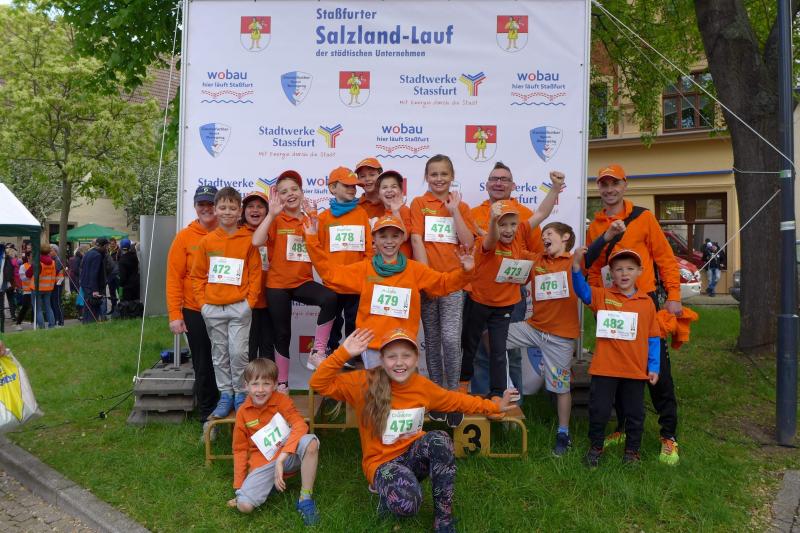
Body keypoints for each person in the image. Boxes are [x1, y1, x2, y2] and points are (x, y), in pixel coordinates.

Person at [310, 328, 517, 533]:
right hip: (382, 463)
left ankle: (443, 519)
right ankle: (386, 491)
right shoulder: (364, 382)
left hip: (413, 455)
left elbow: (457, 401)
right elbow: (319, 383)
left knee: (440, 439)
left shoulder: (422, 386)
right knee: (408, 504)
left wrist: (493, 407)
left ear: (416, 359)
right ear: (382, 359)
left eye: (406, 356)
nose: (399, 362)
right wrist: (343, 353)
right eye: (392, 356)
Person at [304, 212, 475, 401]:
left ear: (402, 238)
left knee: (403, 398)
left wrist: (465, 272)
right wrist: (311, 239)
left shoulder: (415, 270)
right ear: (374, 240)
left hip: (402, 347)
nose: (389, 241)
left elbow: (443, 284)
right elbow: (331, 274)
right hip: (373, 346)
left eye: (394, 236)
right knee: (378, 399)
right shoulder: (365, 269)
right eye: (383, 236)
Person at [585, 163, 682, 465]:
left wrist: (673, 296)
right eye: (604, 184)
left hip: (644, 302)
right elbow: (591, 268)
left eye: (615, 183)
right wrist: (597, 304)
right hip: (612, 303)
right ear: (599, 188)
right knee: (616, 366)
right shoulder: (595, 227)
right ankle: (624, 427)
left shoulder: (644, 218)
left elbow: (665, 258)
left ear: (625, 185)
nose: (609, 189)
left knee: (658, 371)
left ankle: (668, 435)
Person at [571, 248, 661, 466]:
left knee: (635, 413)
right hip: (605, 368)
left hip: (635, 370)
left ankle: (632, 452)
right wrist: (575, 267)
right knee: (599, 410)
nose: (624, 273)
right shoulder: (602, 295)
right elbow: (582, 290)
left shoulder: (647, 302)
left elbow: (653, 337)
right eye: (619, 269)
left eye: (630, 268)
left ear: (640, 271)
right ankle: (595, 447)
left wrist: (654, 366)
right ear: (611, 273)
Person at [251, 171, 337, 391]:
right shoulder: (276, 219)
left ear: (301, 192)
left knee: (330, 298)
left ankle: (318, 351)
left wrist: (314, 224)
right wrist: (271, 215)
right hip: (277, 286)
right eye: (283, 192)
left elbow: (321, 252)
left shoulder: (311, 219)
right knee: (282, 334)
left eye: (294, 189)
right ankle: (282, 385)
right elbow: (257, 241)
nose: (290, 194)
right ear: (277, 197)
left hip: (302, 282)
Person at [468, 161, 546, 397]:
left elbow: (537, 253)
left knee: (509, 351)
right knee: (480, 352)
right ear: (487, 184)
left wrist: (521, 277)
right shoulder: (474, 214)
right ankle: (483, 402)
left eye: (504, 179)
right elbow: (469, 250)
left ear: (513, 186)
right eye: (494, 179)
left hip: (512, 295)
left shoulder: (525, 215)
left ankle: (513, 406)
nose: (499, 183)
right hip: (479, 294)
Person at [410, 154, 476, 417]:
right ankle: (437, 396)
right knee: (433, 340)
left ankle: (453, 396)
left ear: (452, 176)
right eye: (434, 174)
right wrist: (427, 278)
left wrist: (454, 210)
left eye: (444, 174)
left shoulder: (462, 206)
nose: (439, 179)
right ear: (427, 177)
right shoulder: (418, 203)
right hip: (428, 282)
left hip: (453, 282)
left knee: (450, 339)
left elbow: (468, 242)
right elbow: (416, 240)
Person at [191, 187, 261, 417]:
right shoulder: (207, 242)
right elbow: (197, 275)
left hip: (239, 308)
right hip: (213, 309)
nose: (228, 212)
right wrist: (203, 304)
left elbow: (255, 273)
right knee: (219, 354)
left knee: (238, 352)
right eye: (223, 207)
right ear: (216, 210)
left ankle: (241, 392)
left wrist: (249, 302)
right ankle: (226, 394)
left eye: (232, 207)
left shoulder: (248, 241)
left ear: (239, 211)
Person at [229, 358, 320, 526]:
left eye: (266, 384)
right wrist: (239, 486)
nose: (260, 390)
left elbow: (300, 425)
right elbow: (240, 450)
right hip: (263, 464)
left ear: (276, 384)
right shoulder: (242, 412)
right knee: (244, 506)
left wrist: (282, 457)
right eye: (255, 384)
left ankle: (305, 499)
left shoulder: (282, 401)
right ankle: (267, 486)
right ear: (246, 386)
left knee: (311, 443)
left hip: (288, 457)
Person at [166, 185, 220, 432]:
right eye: (202, 204)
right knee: (203, 363)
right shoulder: (184, 237)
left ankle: (234, 412)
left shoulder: (230, 233)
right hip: (195, 310)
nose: (206, 208)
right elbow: (173, 278)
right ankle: (208, 417)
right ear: (195, 206)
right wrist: (175, 315)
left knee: (230, 361)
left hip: (226, 309)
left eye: (211, 203)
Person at [316, 166, 372, 355]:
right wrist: (327, 274)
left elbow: (368, 247)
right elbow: (318, 251)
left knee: (354, 322)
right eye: (347, 185)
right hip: (333, 283)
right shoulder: (323, 218)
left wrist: (365, 274)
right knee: (332, 323)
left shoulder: (361, 214)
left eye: (354, 186)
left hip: (356, 283)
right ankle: (329, 353)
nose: (352, 189)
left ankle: (353, 357)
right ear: (332, 188)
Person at [240, 191, 274, 361]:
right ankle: (248, 379)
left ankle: (269, 379)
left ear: (267, 211)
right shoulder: (237, 234)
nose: (255, 210)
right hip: (246, 303)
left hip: (270, 301)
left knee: (268, 348)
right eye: (250, 206)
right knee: (249, 349)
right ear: (243, 211)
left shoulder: (274, 233)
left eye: (260, 206)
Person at [376, 170, 413, 258]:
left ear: (401, 191)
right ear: (378, 194)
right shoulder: (381, 215)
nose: (389, 190)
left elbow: (404, 237)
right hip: (387, 263)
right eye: (384, 187)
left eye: (394, 186)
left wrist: (396, 212)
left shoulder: (405, 210)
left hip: (404, 263)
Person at [80, 238, 108, 323]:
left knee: (87, 308)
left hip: (85, 285)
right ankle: (90, 325)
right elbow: (94, 273)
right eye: (106, 246)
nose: (107, 248)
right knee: (93, 310)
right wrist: (95, 290)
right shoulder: (97, 255)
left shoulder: (88, 253)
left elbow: (82, 268)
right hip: (92, 287)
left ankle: (86, 324)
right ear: (104, 246)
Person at [32, 243, 56, 329]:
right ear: (49, 251)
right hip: (48, 288)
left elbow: (28, 273)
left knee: (38, 309)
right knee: (48, 307)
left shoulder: (38, 262)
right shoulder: (53, 262)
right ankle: (52, 325)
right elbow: (54, 275)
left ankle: (42, 327)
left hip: (37, 288)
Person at [14, 250, 34, 331]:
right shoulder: (23, 266)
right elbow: (22, 278)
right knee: (25, 306)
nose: (33, 257)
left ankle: (34, 322)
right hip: (27, 290)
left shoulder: (37, 265)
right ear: (28, 257)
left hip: (35, 290)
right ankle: (18, 323)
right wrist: (30, 274)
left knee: (35, 307)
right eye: (32, 255)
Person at [49, 244, 65, 327]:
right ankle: (55, 320)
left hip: (57, 284)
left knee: (57, 303)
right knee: (52, 303)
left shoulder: (57, 260)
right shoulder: (52, 259)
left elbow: (56, 271)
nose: (49, 252)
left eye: (51, 250)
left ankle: (61, 321)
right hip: (53, 284)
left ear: (55, 251)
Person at [105, 238, 119, 316]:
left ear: (115, 243)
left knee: (119, 292)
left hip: (117, 275)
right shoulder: (108, 252)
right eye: (110, 244)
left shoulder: (118, 251)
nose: (111, 245)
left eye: (113, 244)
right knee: (112, 293)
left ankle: (121, 308)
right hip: (110, 276)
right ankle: (113, 308)